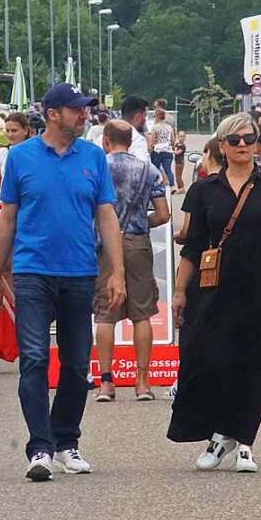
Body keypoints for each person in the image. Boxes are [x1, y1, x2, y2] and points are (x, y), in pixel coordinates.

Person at [0, 82, 125, 482]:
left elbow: (107, 217)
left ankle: (67, 442)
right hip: (32, 272)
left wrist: (116, 271)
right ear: (53, 114)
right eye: (76, 110)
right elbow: (7, 218)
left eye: (84, 110)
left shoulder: (93, 158)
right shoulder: (21, 157)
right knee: (34, 359)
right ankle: (40, 448)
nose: (84, 116)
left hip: (80, 272)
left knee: (77, 363)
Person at [169, 112, 261, 474]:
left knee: (255, 361)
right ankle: (219, 433)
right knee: (211, 360)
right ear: (222, 146)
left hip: (260, 286)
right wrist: (179, 292)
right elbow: (192, 247)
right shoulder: (203, 191)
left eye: (249, 138)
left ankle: (244, 441)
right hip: (213, 289)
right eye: (235, 140)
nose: (243, 145)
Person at [94, 120, 170, 402]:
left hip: (103, 244)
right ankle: (142, 382)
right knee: (142, 312)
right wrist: (142, 222)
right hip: (137, 242)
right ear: (131, 140)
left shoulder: (98, 167)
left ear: (106, 140)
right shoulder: (147, 170)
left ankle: (105, 382)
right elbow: (163, 214)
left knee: (105, 312)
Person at [0, 113, 31, 201]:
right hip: (3, 204)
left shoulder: (34, 153)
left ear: (26, 130)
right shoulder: (1, 153)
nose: (10, 135)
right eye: (7, 131)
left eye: (14, 130)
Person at [150, 109, 176, 191]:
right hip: (167, 150)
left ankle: (156, 185)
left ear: (157, 117)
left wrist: (150, 150)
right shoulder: (169, 127)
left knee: (155, 169)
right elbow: (172, 140)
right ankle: (172, 186)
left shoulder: (155, 127)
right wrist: (172, 147)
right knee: (168, 169)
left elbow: (153, 140)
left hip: (157, 151)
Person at [120, 96, 151, 163]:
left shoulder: (102, 137)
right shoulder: (138, 141)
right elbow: (142, 167)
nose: (145, 119)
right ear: (138, 117)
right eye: (145, 115)